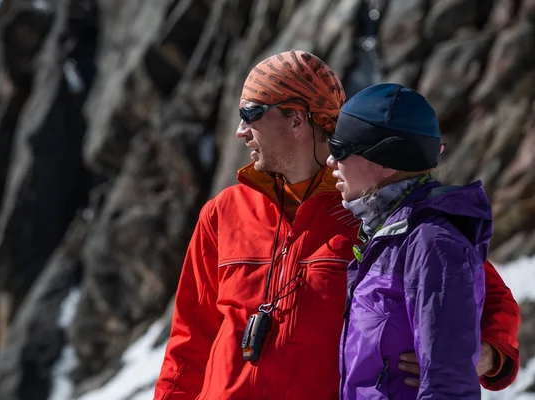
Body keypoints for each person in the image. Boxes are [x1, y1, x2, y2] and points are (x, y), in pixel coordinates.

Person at [154, 50, 520, 400]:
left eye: (249, 113)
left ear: (296, 118)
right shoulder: (223, 213)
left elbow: (478, 290)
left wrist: (480, 356)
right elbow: (189, 342)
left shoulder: (374, 214)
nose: (240, 131)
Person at [326, 83, 502, 399]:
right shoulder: (386, 235)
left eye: (340, 149)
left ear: (386, 160)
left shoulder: (432, 244)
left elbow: (448, 388)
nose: (330, 161)